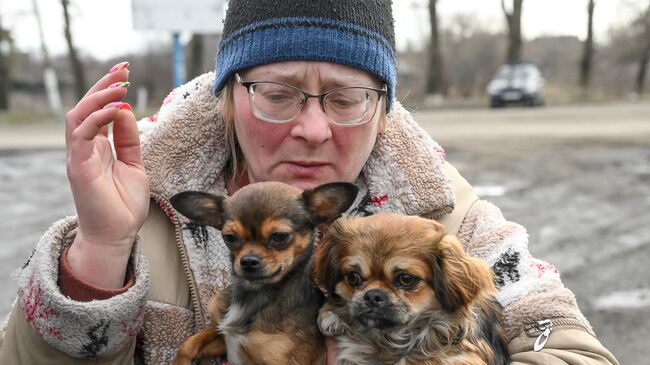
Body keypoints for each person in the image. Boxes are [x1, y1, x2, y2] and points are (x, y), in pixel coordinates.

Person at [0, 1, 619, 364]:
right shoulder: (140, 203)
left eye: (347, 97)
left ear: (382, 109)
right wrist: (101, 249)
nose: (314, 127)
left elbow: (572, 347)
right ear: (228, 99)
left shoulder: (444, 213)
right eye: (278, 93)